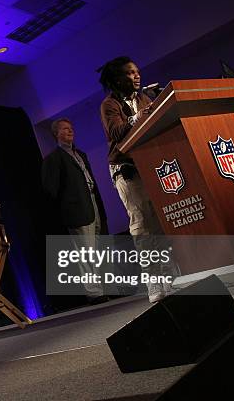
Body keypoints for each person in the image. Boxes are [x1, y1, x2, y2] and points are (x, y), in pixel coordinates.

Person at [98, 56, 178, 303]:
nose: (137, 76)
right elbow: (116, 132)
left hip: (149, 163)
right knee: (141, 222)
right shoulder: (109, 105)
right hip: (126, 168)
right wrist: (140, 115)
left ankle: (169, 276)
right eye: (130, 73)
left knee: (159, 223)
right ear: (117, 79)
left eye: (137, 72)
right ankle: (153, 279)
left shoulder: (145, 98)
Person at [41, 118, 109, 304]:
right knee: (85, 252)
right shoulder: (53, 159)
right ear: (56, 134)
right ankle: (94, 293)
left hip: (91, 203)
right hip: (75, 211)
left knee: (94, 250)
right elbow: (50, 190)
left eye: (71, 128)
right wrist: (67, 204)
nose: (70, 131)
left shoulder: (81, 154)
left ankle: (100, 288)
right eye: (65, 129)